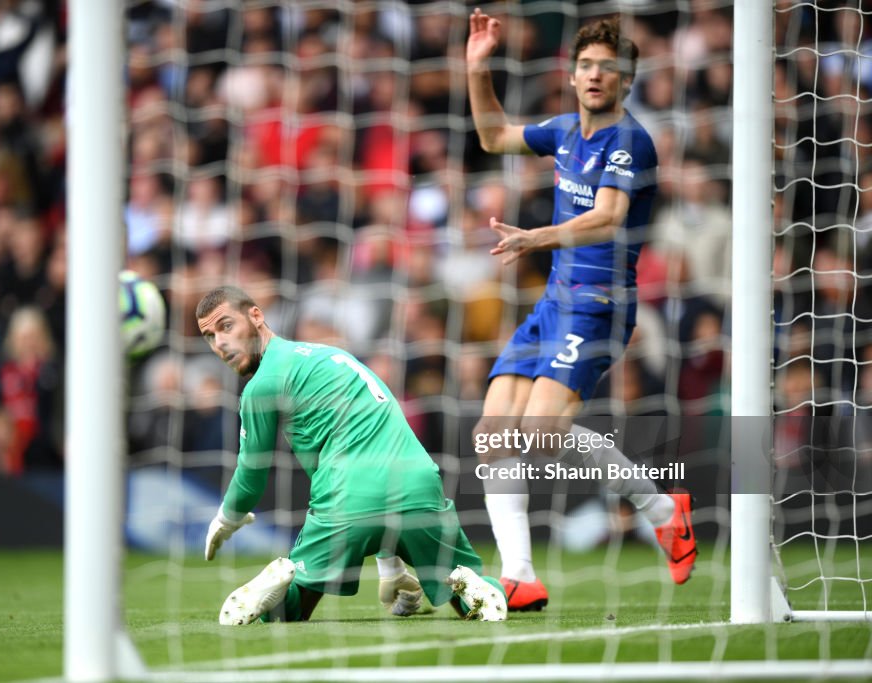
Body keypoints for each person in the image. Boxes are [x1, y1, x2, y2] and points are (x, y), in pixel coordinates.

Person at [465, 10, 698, 611]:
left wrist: (533, 238)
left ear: (626, 81)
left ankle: (661, 509)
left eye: (608, 69)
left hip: (598, 306)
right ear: (572, 76)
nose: (596, 76)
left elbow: (609, 217)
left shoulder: (630, 141)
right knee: (493, 435)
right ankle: (519, 575)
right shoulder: (565, 130)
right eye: (587, 66)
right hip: (552, 304)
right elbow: (493, 136)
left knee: (541, 433)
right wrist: (476, 66)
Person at [196, 285, 506, 624]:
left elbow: (252, 471)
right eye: (209, 336)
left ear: (256, 315)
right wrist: (391, 563)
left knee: (289, 614)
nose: (220, 343)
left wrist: (227, 517)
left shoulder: (262, 385)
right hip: (420, 484)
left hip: (346, 496)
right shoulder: (332, 356)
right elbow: (375, 445)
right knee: (470, 600)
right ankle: (473, 586)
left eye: (226, 326)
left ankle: (284, 578)